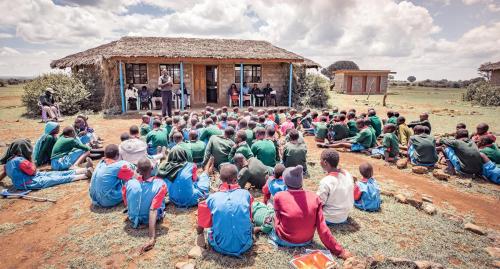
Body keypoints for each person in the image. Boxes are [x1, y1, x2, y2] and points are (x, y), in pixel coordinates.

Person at [261, 165, 352, 259]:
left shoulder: (279, 197)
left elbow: (278, 219)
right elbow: (323, 229)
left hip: (284, 240)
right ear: (301, 181)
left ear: (284, 181)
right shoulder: (315, 198)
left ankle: (261, 227)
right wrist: (339, 251)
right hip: (307, 240)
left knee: (269, 214)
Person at [196, 164, 254, 256]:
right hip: (245, 244)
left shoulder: (212, 198)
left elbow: (201, 224)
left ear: (220, 179)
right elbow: (250, 218)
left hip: (219, 246)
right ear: (235, 179)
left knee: (207, 221)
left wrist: (199, 232)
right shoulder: (246, 194)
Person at [4, 139, 93, 190]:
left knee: (55, 174)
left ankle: (84, 170)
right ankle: (85, 175)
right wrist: (32, 161)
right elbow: (32, 171)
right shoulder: (21, 161)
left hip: (26, 180)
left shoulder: (9, 161)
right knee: (56, 178)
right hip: (30, 182)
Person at [123, 157, 167, 253]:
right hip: (148, 218)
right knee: (160, 201)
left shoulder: (129, 183)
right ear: (152, 168)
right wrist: (151, 237)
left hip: (132, 217)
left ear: (138, 170)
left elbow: (126, 201)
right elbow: (153, 210)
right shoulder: (161, 184)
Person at [317, 149, 354, 224]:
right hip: (344, 216)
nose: (319, 162)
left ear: (325, 162)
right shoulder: (347, 174)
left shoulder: (326, 181)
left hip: (329, 218)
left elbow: (319, 203)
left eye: (320, 160)